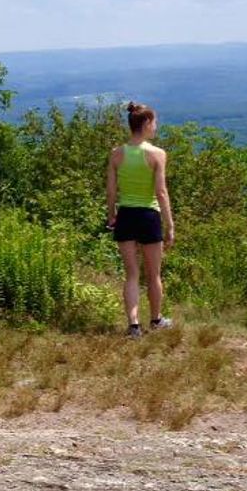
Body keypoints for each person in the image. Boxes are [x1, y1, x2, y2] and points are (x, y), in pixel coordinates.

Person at [106, 101, 175, 338]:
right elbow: (161, 192)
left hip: (125, 215)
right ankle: (156, 320)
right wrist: (170, 224)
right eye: (154, 123)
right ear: (146, 123)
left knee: (132, 274)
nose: (156, 127)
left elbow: (111, 191)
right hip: (148, 216)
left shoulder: (116, 154)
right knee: (153, 274)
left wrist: (111, 215)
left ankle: (133, 325)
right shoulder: (157, 154)